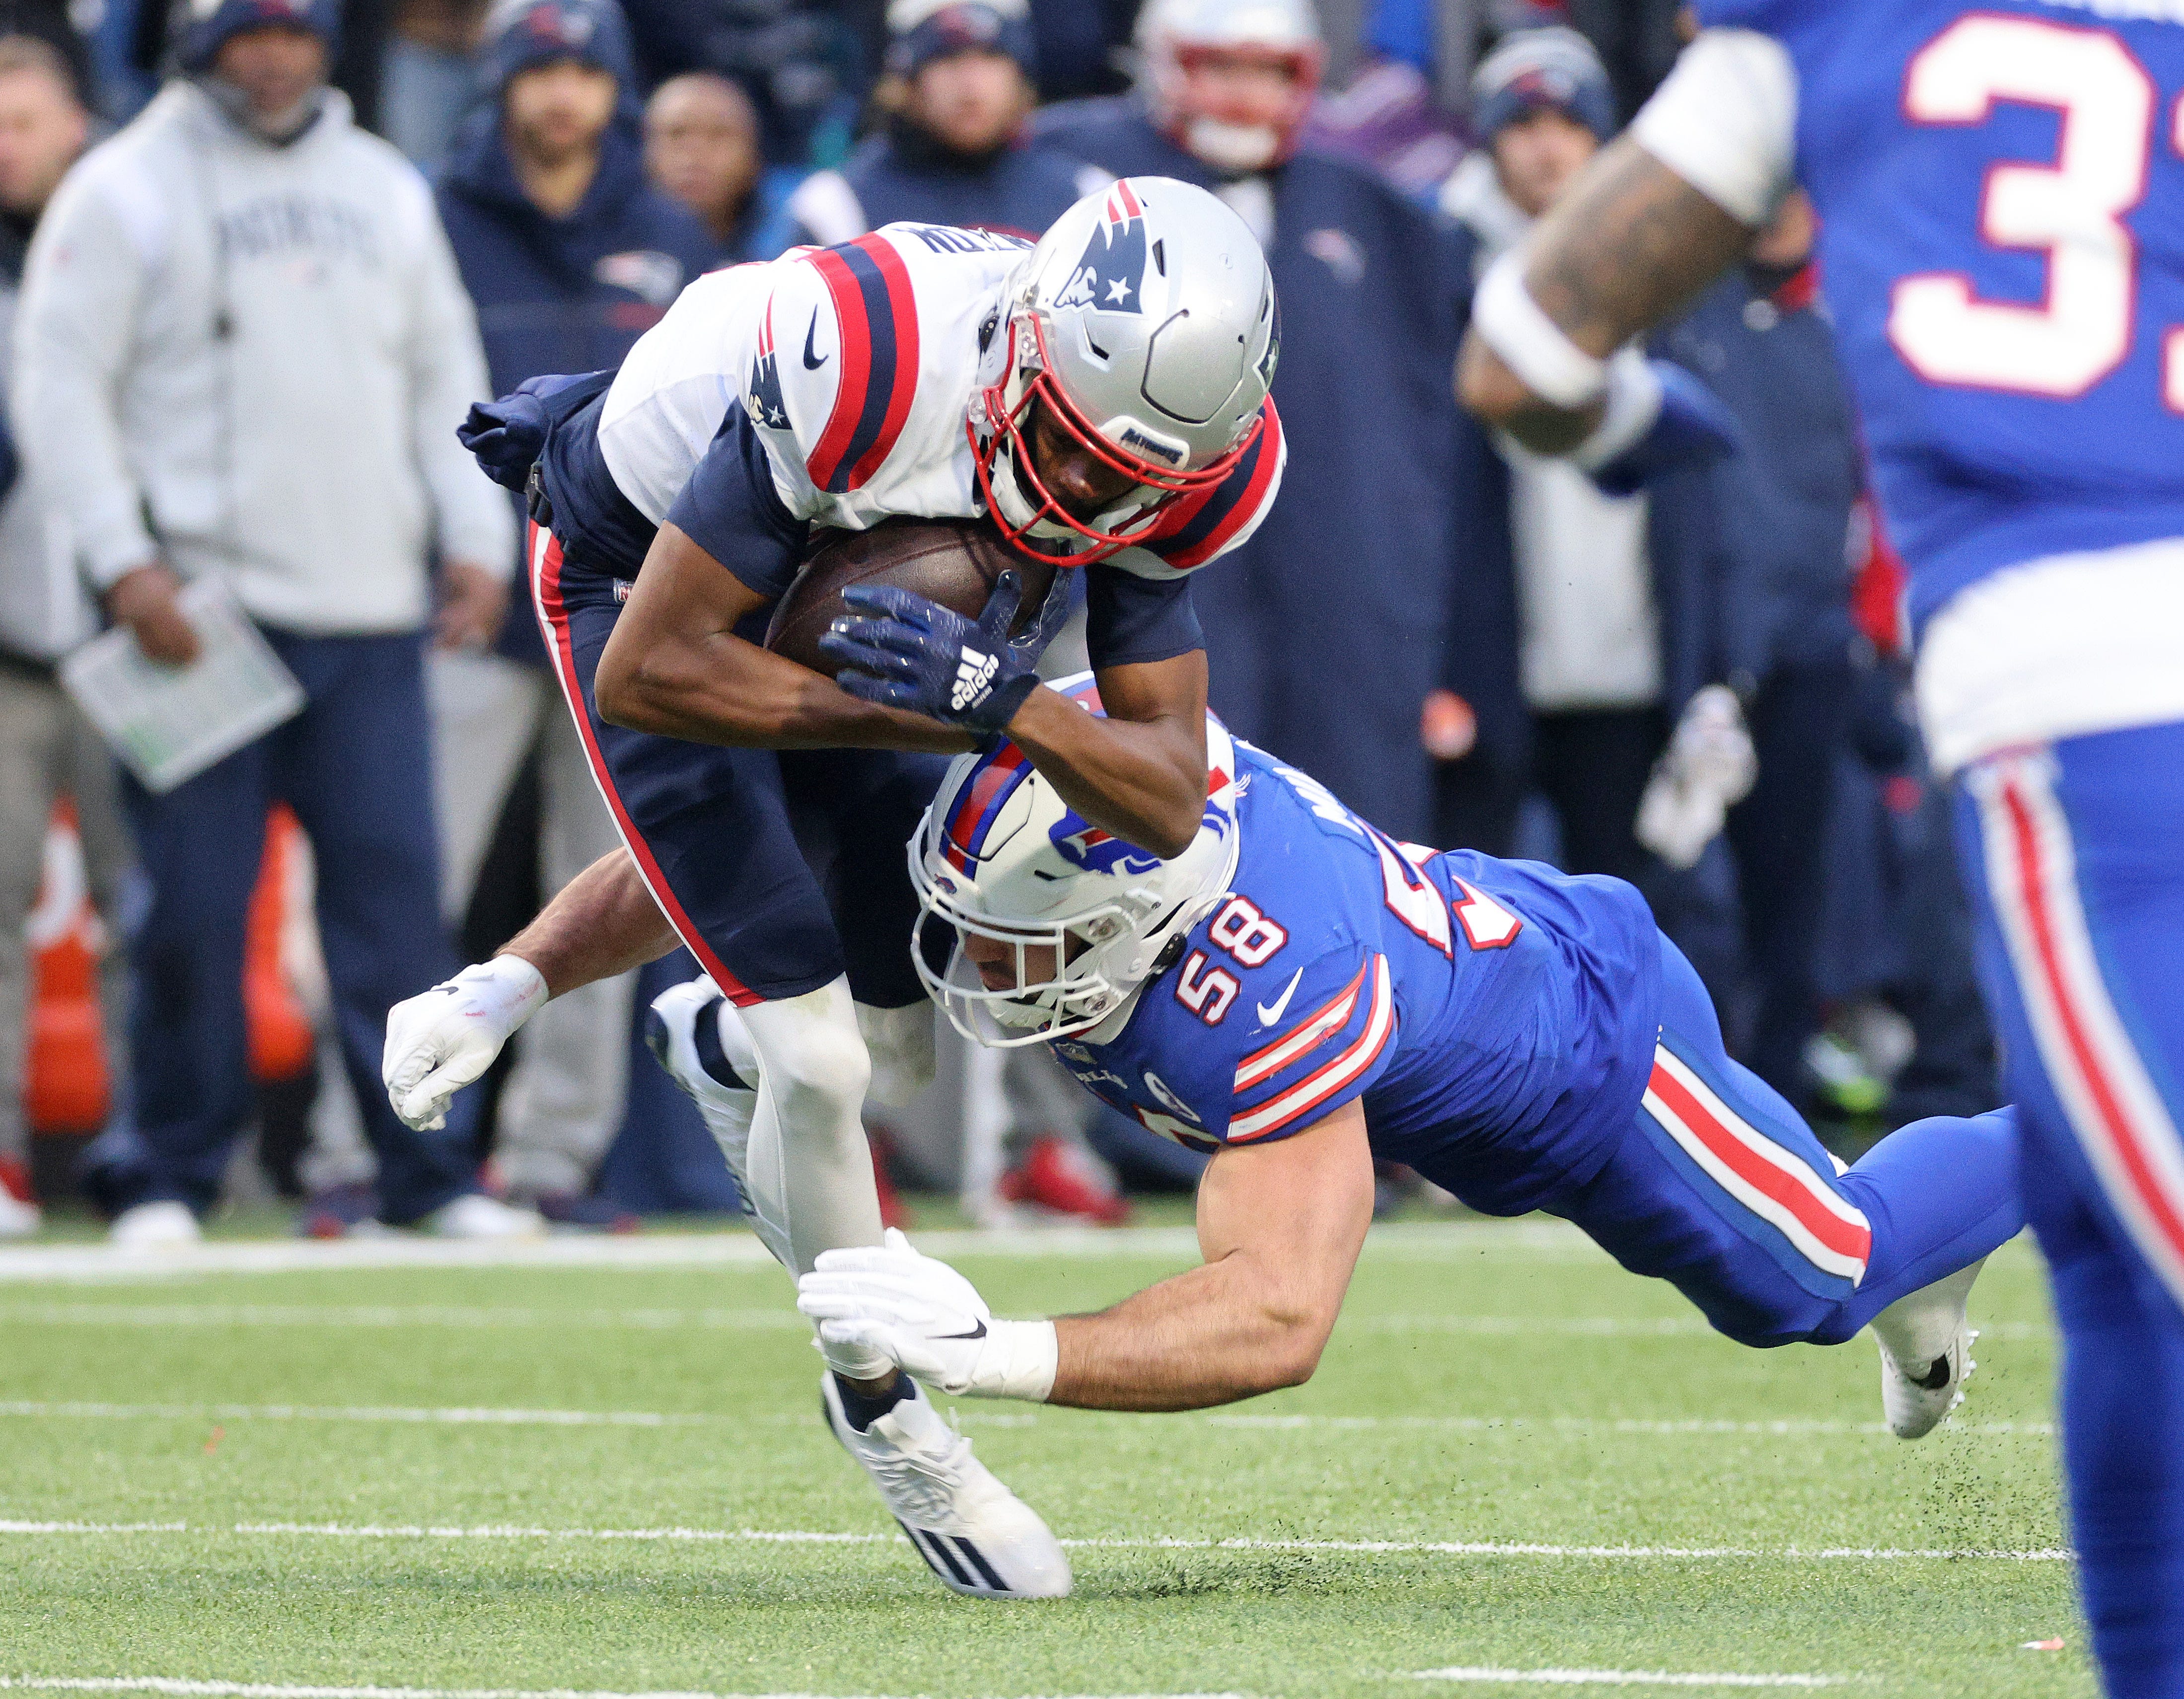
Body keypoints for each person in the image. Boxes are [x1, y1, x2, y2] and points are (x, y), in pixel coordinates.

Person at [380, 179, 1284, 1597]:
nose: (1091, 499)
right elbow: (657, 677)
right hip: (642, 573)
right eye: (1070, 447)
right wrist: (966, 712)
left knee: (899, 1055)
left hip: (872, 553)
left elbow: (1166, 791)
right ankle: (884, 1404)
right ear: (1023, 355)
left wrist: (1001, 703)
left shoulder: (1185, 455)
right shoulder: (864, 356)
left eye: (1133, 481)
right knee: (815, 1057)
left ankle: (701, 1034)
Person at [1450, 11, 2184, 1693]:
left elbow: (1523, 354)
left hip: (2073, 667)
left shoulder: (1835, 32)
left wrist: (1633, 422)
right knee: (2104, 1231)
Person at [792, 697, 2024, 1442]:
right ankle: (1927, 1270)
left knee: (1811, 1277)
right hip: (1468, 955)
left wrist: (995, 1347)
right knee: (1817, 1278)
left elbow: (1276, 1312)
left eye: (1022, 943)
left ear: (1138, 915)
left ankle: (2081, 1133)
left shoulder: (1266, 983)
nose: (988, 970)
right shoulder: (1104, 779)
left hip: (1595, 1052)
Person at [15, 0, 533, 1244]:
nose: (273, 53)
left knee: (397, 908)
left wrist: (476, 536)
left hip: (366, 606)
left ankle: (425, 1174)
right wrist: (120, 557)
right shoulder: (123, 184)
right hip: (198, 612)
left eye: (295, 31)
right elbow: (57, 379)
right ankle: (170, 1171)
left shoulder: (384, 185)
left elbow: (438, 368)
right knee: (188, 906)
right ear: (196, 42)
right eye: (246, 31)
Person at [1034, 0, 1471, 844]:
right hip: (1149, 569)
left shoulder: (1384, 218)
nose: (1245, 96)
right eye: (1221, 67)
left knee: (1354, 835)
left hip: (1341, 596)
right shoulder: (1079, 181)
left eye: (1268, 72)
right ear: (1163, 61)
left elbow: (1445, 457)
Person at [432, 0, 715, 1226]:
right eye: (538, 73)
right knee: (414, 879)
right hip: (468, 599)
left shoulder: (663, 228)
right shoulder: (437, 216)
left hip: (620, 603)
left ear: (616, 92)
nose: (562, 97)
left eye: (583, 75)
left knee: (606, 883)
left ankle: (553, 1161)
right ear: (501, 86)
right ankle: (366, 1149)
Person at [1431, 26, 1730, 883]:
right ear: (1488, 140)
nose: (1547, 146)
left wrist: (1709, 672)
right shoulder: (1438, 264)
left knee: (1629, 920)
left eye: (1569, 123)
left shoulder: (1658, 264)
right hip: (1487, 675)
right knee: (1467, 918)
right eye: (1522, 124)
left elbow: (1706, 493)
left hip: (1627, 670)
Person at [0, 33, 112, 1240]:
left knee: (176, 908)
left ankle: (176, 1161)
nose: (6, 145)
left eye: (23, 120)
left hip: (150, 631)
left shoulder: (130, 237)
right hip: (11, 643)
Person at [781, 0, 1104, 249]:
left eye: (991, 58)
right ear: (907, 81)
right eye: (947, 60)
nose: (971, 84)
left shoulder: (1088, 199)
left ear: (1020, 75)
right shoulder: (836, 208)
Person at [642, 72, 768, 261]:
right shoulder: (604, 249)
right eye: (676, 134)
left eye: (719, 135)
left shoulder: (795, 239)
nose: (696, 154)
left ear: (755, 155)